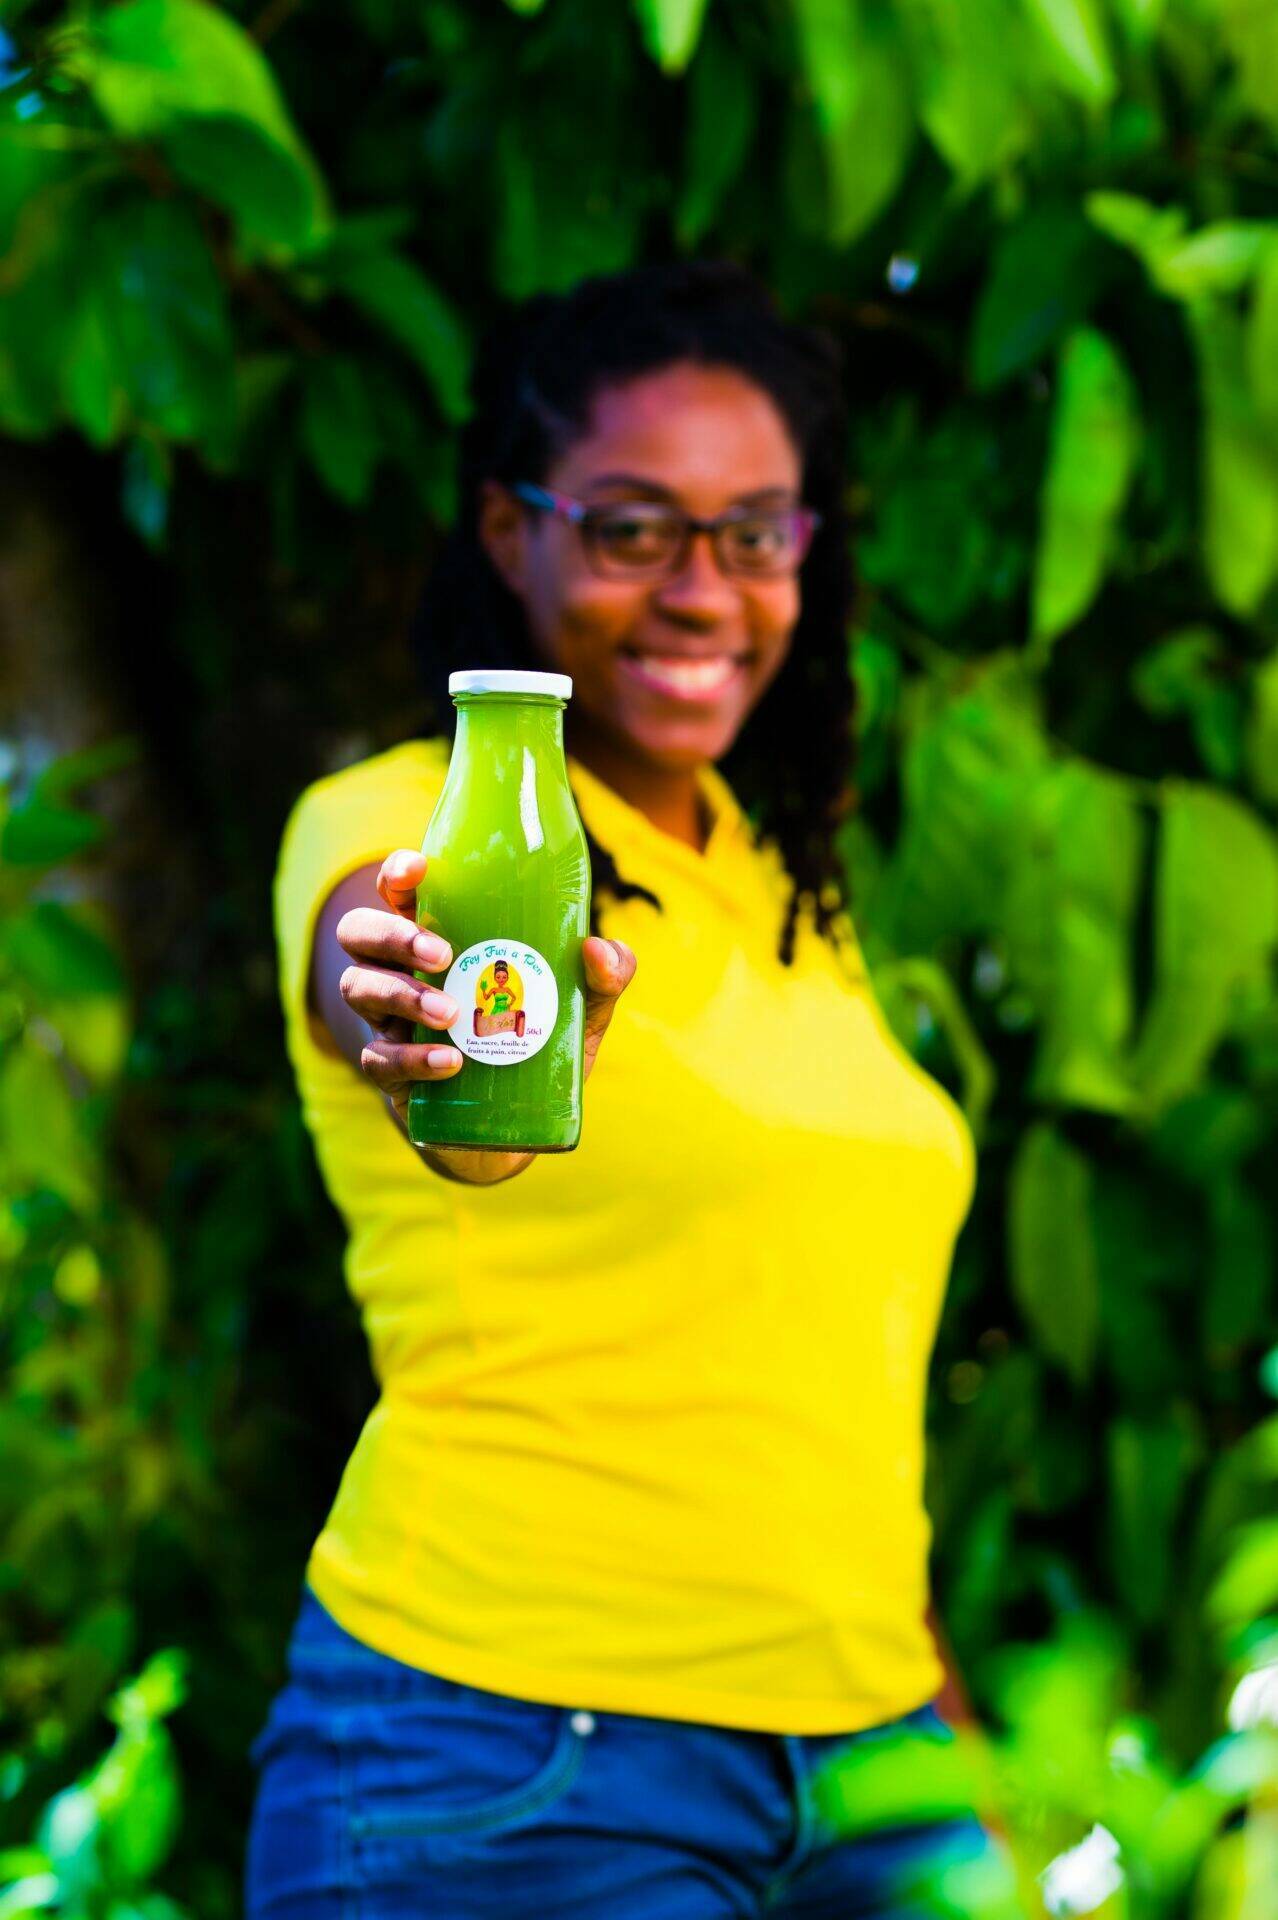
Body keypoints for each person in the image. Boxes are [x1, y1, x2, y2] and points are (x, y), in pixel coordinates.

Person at [246, 261, 1008, 1918]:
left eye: (754, 532)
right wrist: (416, 1006)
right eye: (630, 526)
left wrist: (945, 1741)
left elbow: (805, 1382)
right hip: (516, 1759)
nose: (700, 589)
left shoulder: (781, 883)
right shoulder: (408, 823)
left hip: (874, 1767)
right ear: (508, 531)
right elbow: (370, 945)